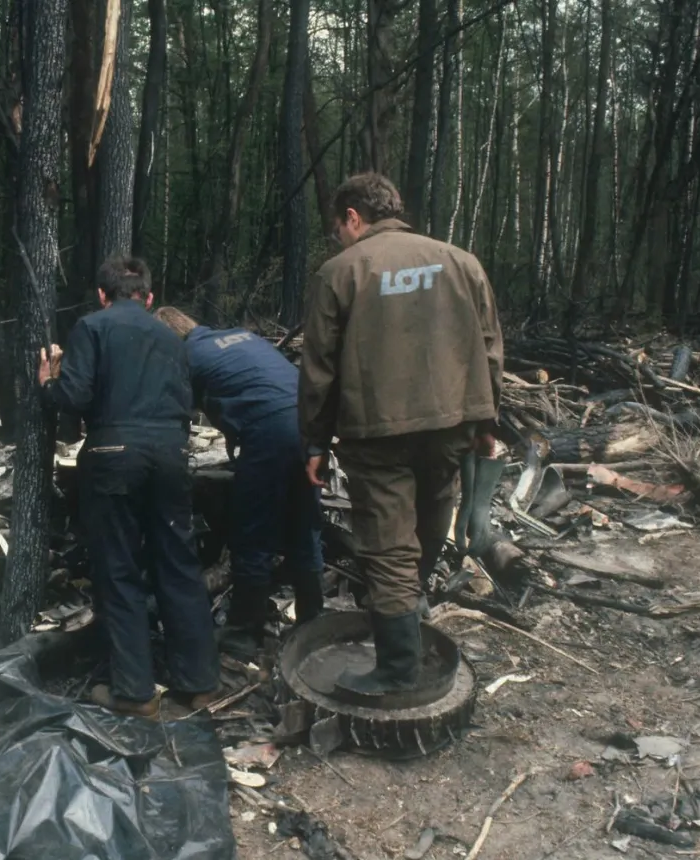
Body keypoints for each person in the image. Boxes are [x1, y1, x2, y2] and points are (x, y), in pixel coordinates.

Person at [298, 172, 503, 696]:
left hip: (377, 430)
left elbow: (318, 368)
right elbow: (490, 346)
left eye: (338, 228)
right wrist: (487, 423)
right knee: (433, 514)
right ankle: (411, 609)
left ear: (352, 217)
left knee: (389, 546)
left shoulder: (340, 272)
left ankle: (396, 672)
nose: (339, 238)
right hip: (454, 422)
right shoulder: (462, 262)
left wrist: (315, 442)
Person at [38, 256, 221, 717]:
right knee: (178, 564)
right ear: (149, 296)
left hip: (114, 456)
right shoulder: (172, 336)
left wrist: (47, 384)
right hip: (173, 455)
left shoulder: (92, 327)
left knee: (119, 570)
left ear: (103, 294)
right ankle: (198, 683)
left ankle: (135, 692)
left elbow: (75, 397)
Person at [152, 306, 324, 655]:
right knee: (303, 523)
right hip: (309, 423)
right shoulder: (237, 337)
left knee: (252, 532)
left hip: (269, 429)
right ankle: (314, 620)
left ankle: (244, 631)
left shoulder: (185, 356)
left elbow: (172, 414)